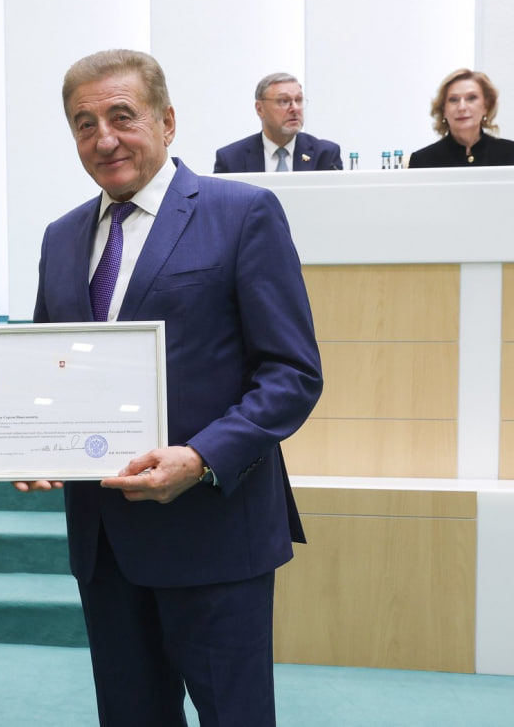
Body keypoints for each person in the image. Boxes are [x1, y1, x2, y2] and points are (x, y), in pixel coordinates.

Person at [28, 49, 323, 727]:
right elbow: (53, 368)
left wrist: (200, 457)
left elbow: (292, 373)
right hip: (105, 543)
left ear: (166, 121)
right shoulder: (61, 237)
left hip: (213, 529)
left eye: (122, 117)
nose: (104, 139)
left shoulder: (242, 212)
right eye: (84, 124)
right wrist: (36, 441)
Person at [213, 72, 342, 173]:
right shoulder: (231, 159)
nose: (295, 108)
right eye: (283, 101)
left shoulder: (325, 155)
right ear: (260, 109)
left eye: (298, 100)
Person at [408, 69, 514, 168]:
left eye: (471, 98)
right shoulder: (422, 160)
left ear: (486, 106)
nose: (462, 107)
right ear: (443, 110)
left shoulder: (510, 153)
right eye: (454, 100)